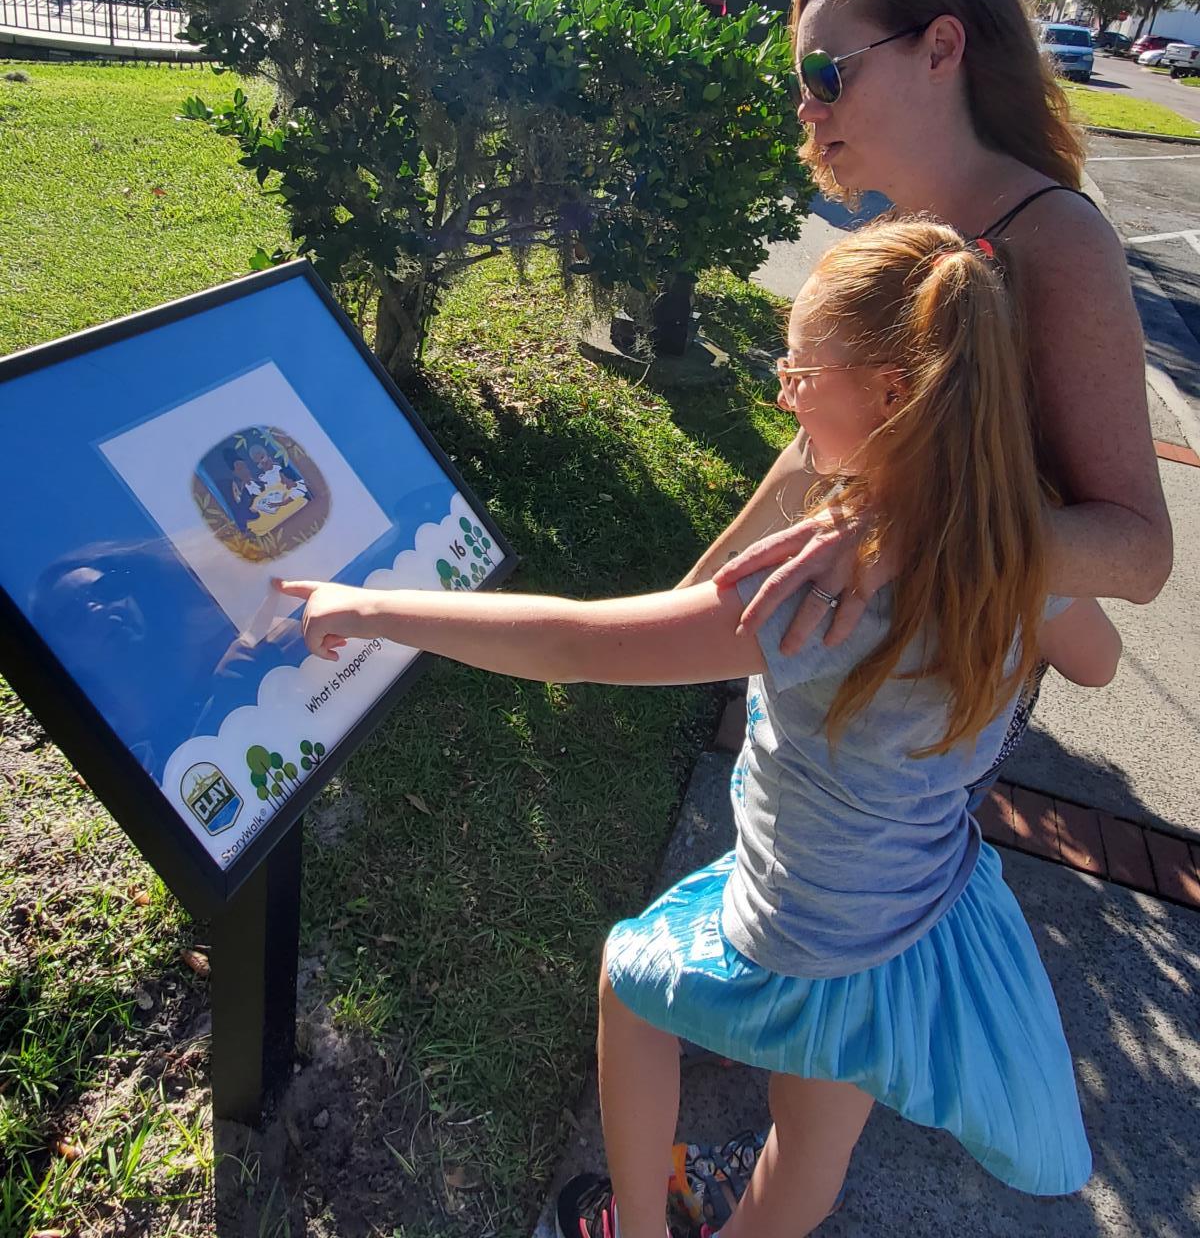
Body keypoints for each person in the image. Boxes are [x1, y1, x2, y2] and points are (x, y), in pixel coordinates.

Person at [277, 218, 1120, 1238]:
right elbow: (1099, 657)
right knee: (810, 1138)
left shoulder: (818, 593)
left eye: (803, 372)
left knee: (631, 986)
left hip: (805, 921)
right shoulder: (1021, 546)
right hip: (913, 911)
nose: (782, 393)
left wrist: (372, 607)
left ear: (894, 395)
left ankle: (635, 1228)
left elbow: (576, 644)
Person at [684, 0, 1169, 804]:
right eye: (802, 81)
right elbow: (820, 451)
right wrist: (694, 593)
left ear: (941, 46)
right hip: (860, 699)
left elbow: (1140, 554)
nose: (807, 107)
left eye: (827, 74)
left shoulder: (1061, 240)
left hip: (924, 740)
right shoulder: (909, 233)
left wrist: (899, 530)